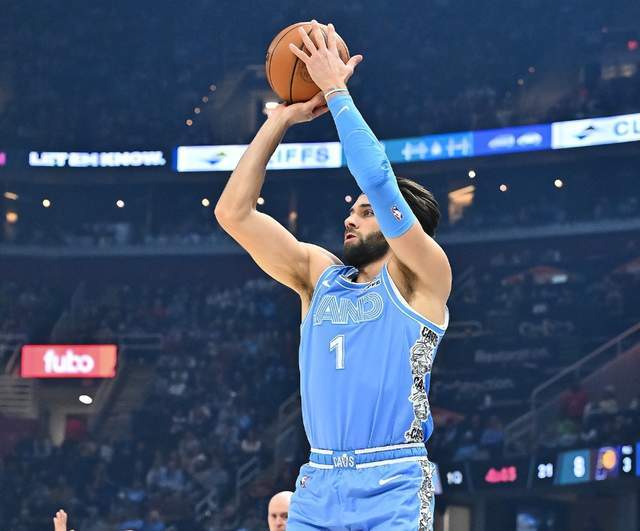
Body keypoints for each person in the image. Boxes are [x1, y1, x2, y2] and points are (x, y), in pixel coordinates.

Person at [215, 20, 451, 530]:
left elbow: (379, 179)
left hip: (392, 479)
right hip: (319, 482)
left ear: (400, 224)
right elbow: (233, 213)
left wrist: (337, 91)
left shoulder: (424, 277)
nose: (350, 218)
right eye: (352, 209)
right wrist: (280, 120)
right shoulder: (319, 276)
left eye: (366, 212)